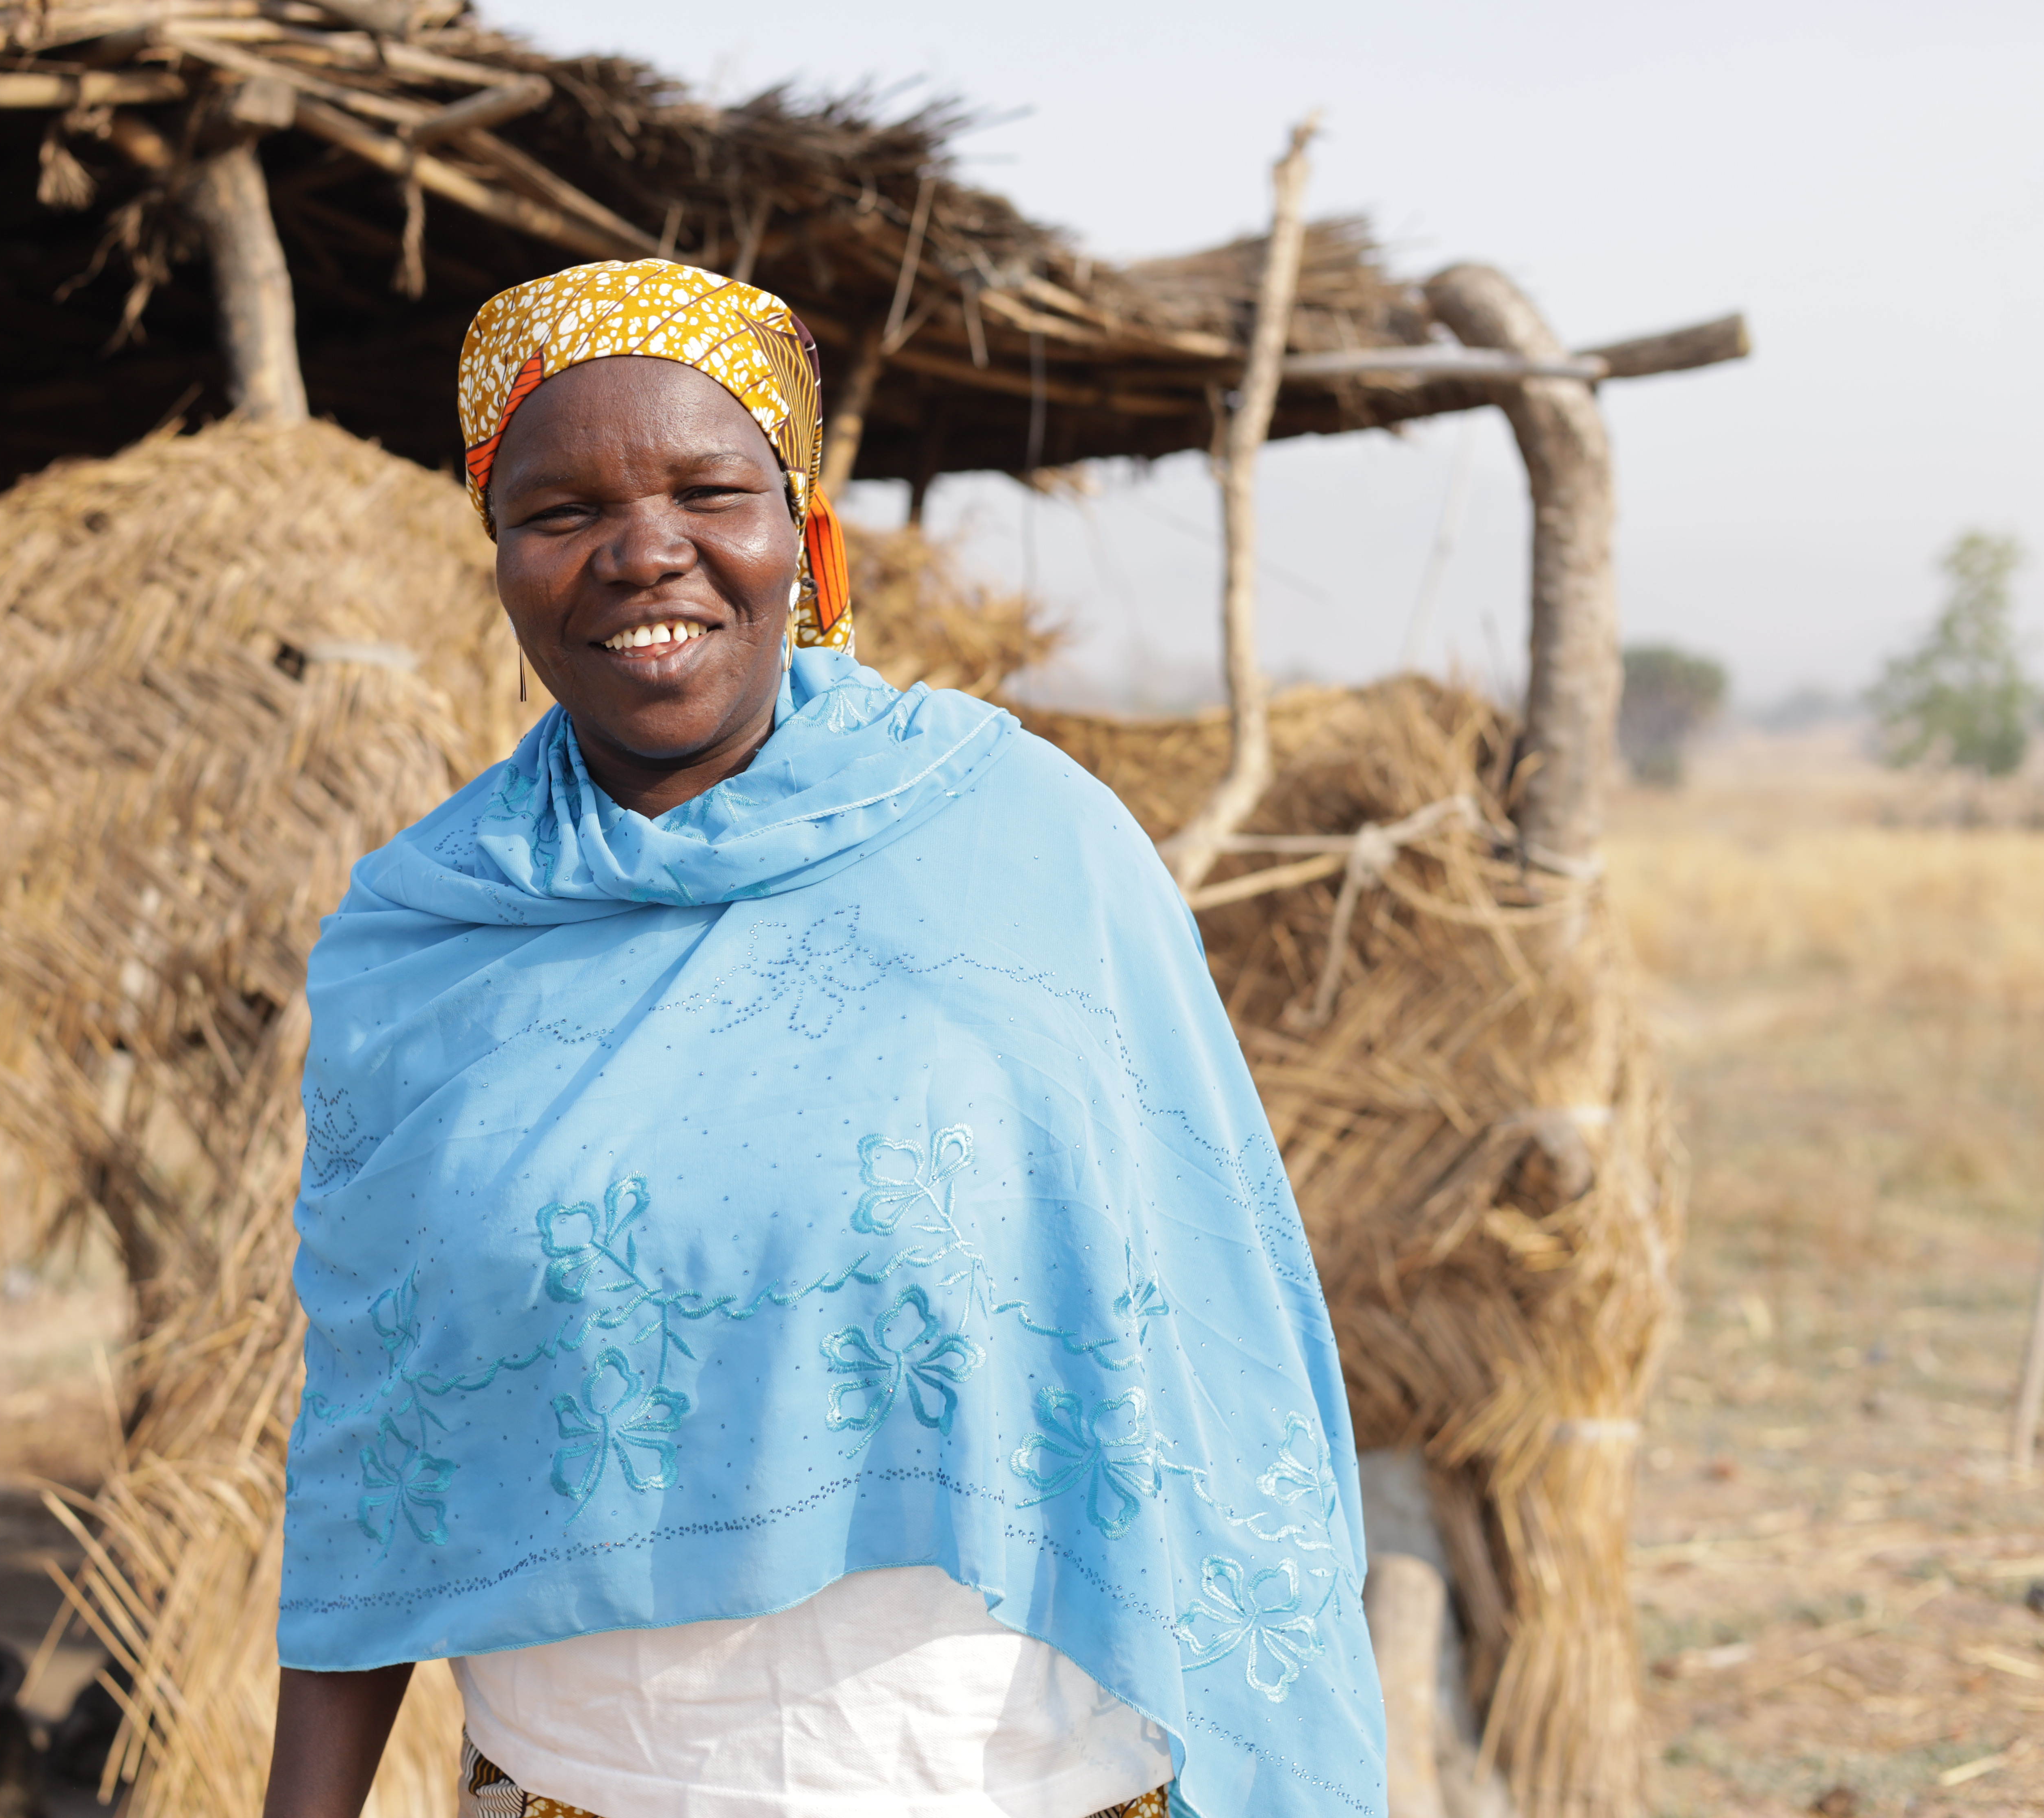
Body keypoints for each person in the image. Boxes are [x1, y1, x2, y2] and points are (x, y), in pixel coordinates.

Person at [267, 260, 1383, 1818]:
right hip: (578, 1791)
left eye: (710, 490)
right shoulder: (428, 941)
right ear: (503, 556)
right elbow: (372, 1450)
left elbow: (1217, 1335)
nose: (643, 553)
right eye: (561, 510)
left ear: (805, 536)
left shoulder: (1032, 851)